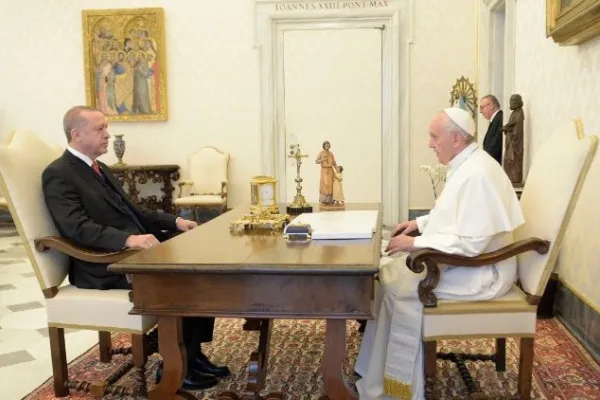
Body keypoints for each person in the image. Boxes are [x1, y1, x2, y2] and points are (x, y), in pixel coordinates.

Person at [42, 105, 230, 390]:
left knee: (202, 264)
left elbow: (136, 212)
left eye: (106, 127)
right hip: (103, 264)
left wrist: (176, 221)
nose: (107, 134)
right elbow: (76, 228)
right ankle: (173, 364)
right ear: (76, 134)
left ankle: (192, 355)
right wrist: (128, 240)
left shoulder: (99, 167)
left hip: (135, 254)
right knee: (186, 279)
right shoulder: (58, 173)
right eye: (100, 129)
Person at [354, 108, 524, 399]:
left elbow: (472, 244)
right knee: (388, 274)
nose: (430, 144)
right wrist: (418, 224)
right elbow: (453, 216)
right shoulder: (467, 164)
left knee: (399, 287)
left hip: (483, 272)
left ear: (456, 138)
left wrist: (414, 245)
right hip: (468, 263)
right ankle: (374, 373)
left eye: (434, 137)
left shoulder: (477, 174)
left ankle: (397, 390)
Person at [480, 94, 503, 164]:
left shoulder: (500, 118)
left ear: (491, 106)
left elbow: (496, 147)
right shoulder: (496, 119)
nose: (480, 111)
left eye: (482, 107)